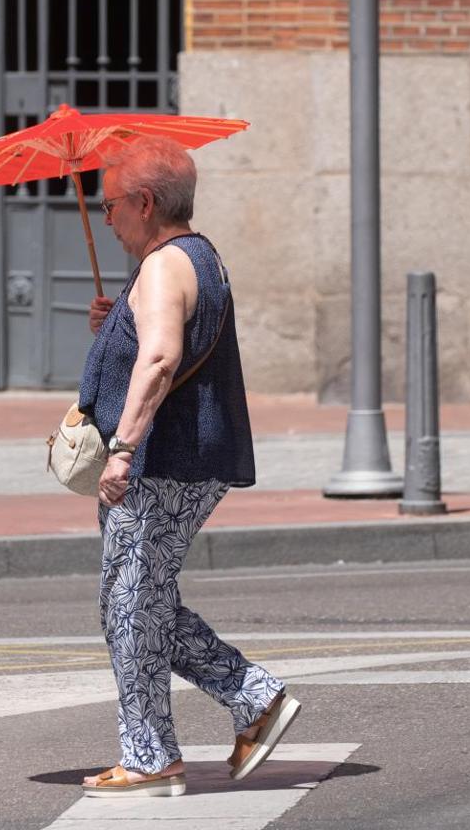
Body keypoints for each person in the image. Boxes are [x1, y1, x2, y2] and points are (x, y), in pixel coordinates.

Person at [76, 136, 301, 798]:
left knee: (130, 604)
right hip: (185, 461)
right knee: (137, 602)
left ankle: (151, 753)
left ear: (144, 202)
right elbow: (153, 340)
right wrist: (113, 322)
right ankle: (251, 700)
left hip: (160, 463)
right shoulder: (192, 259)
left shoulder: (166, 266)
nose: (106, 218)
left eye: (111, 204)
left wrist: (121, 449)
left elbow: (161, 359)